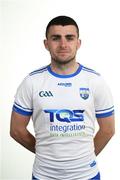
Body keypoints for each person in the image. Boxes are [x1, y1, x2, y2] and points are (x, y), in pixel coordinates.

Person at [10, 16, 115, 180]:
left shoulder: (95, 81)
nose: (63, 44)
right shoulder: (32, 82)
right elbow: (17, 130)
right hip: (44, 175)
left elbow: (108, 130)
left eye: (70, 38)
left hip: (86, 175)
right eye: (56, 38)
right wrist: (46, 154)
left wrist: (84, 159)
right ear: (46, 44)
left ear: (78, 43)